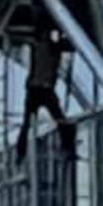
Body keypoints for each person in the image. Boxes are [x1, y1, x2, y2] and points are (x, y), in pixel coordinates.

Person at [16, 20, 75, 164]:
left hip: (34, 89)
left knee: (26, 123)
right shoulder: (53, 47)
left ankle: (20, 153)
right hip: (44, 89)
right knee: (60, 120)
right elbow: (68, 46)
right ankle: (67, 147)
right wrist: (63, 34)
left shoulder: (36, 46)